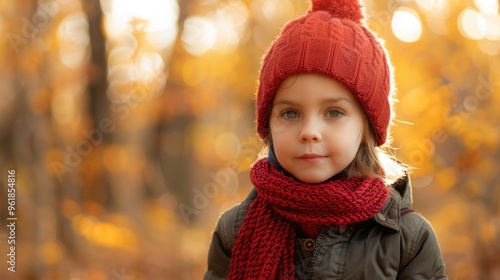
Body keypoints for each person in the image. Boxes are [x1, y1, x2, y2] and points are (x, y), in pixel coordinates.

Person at [204, 0, 448, 279]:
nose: (309, 131)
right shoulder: (235, 230)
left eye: (333, 112)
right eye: (290, 113)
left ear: (367, 127)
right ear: (268, 124)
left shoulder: (408, 240)